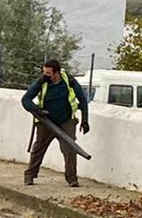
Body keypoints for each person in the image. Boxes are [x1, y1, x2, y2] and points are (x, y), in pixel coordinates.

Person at [20, 58, 90, 187]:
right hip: (46, 122)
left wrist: (85, 120)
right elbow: (26, 100)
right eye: (44, 73)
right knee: (38, 148)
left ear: (56, 73)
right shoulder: (42, 81)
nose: (45, 76)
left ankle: (72, 179)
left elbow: (83, 100)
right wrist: (37, 111)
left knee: (70, 149)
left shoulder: (69, 81)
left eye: (48, 74)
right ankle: (29, 175)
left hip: (66, 121)